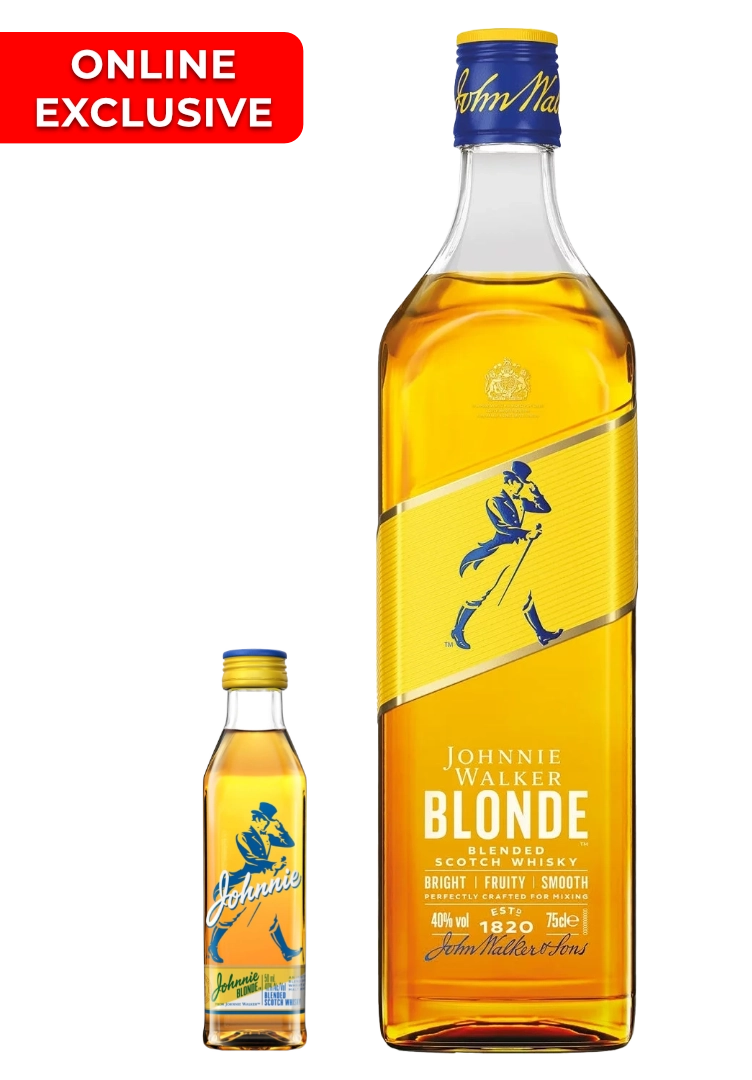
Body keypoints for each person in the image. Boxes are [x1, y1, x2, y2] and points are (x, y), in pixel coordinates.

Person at [450, 460, 563, 650]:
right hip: (496, 554)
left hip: (514, 553)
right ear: (510, 482)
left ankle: (540, 633)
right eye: (519, 483)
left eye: (522, 484)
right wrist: (527, 533)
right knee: (480, 593)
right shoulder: (494, 501)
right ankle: (457, 630)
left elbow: (545, 508)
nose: (520, 487)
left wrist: (535, 491)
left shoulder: (521, 502)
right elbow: (503, 529)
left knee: (525, 592)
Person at [207, 801, 301, 963]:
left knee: (272, 916)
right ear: (257, 819)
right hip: (245, 881)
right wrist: (273, 865)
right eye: (264, 821)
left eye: (268, 821)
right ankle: (213, 946)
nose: (266, 824)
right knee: (230, 913)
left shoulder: (268, 837)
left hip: (262, 882)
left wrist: (280, 828)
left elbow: (290, 843)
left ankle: (285, 951)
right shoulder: (243, 836)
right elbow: (251, 859)